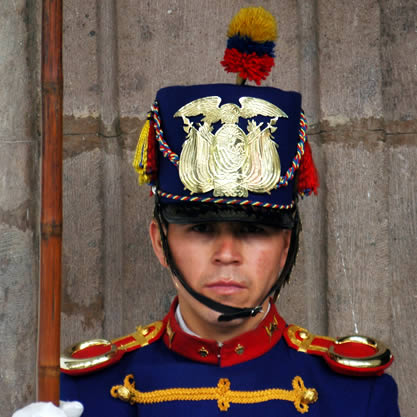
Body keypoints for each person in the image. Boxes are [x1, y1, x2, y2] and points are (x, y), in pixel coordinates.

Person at [15, 6, 400, 417]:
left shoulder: (356, 398)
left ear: (286, 246)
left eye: (253, 231)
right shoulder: (85, 396)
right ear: (160, 243)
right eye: (199, 227)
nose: (227, 253)